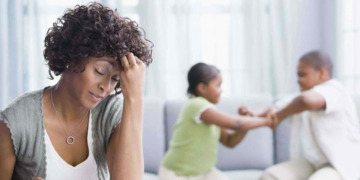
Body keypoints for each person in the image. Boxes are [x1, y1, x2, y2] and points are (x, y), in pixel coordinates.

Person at [0, 2, 153, 180]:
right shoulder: (17, 122)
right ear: (72, 57)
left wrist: (135, 98)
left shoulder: (110, 113)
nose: (106, 87)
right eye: (100, 71)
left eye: (115, 79)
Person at [240, 51, 360, 180]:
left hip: (338, 165)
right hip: (311, 162)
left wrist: (279, 116)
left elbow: (305, 101)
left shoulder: (335, 91)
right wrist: (254, 113)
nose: (298, 80)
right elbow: (276, 106)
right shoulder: (301, 96)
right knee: (270, 176)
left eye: (302, 75)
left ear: (322, 73)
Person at [158, 62, 273, 180]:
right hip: (177, 174)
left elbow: (230, 141)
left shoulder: (210, 112)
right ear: (202, 88)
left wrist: (248, 121)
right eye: (218, 86)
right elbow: (236, 124)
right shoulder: (196, 105)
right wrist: (267, 121)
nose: (221, 90)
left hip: (204, 173)